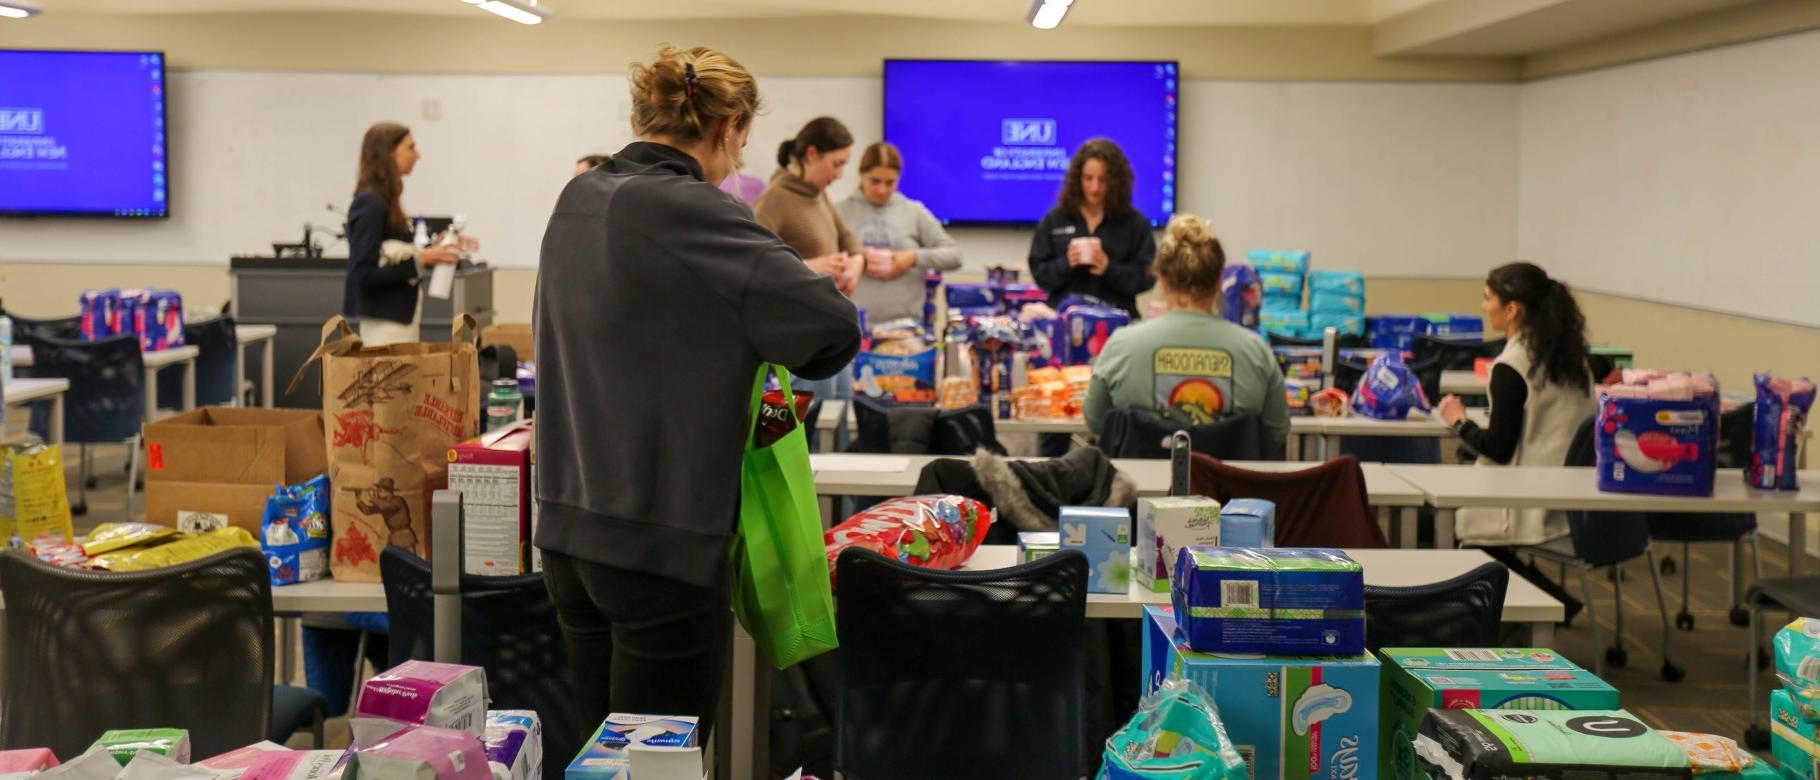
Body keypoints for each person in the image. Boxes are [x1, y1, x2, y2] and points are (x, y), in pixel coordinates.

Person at [533, 46, 860, 735]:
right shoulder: (695, 212)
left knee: (596, 759)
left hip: (568, 533)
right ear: (728, 128)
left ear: (638, 115)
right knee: (661, 762)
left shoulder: (578, 199)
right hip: (658, 545)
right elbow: (830, 329)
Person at [1438, 262, 1596, 619]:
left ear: (1512, 309)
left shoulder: (1511, 365)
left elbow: (1498, 449)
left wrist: (1458, 421)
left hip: (1530, 499)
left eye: (1487, 298)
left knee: (1445, 527)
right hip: (1577, 498)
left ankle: (1545, 604)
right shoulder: (1573, 358)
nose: (1483, 306)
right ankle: (1551, 601)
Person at [1083, 214, 1288, 451]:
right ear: (1218, 279)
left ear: (1160, 276)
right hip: (1228, 487)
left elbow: (1096, 422)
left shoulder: (1121, 346)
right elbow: (1276, 433)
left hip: (1140, 487)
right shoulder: (1256, 352)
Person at [754, 116, 862, 401]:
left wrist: (854, 267)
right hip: (802, 339)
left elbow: (852, 242)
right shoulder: (774, 199)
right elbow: (755, 266)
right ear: (812, 154)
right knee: (814, 429)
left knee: (839, 414)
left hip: (828, 329)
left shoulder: (818, 194)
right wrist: (811, 267)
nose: (840, 175)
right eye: (837, 164)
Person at [341, 122, 466, 347]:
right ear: (389, 152)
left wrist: (438, 245)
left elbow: (394, 253)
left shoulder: (385, 202)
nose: (417, 155)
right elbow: (363, 275)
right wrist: (422, 259)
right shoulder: (370, 204)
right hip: (385, 326)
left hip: (399, 320)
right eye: (410, 147)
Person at [1027, 138, 1157, 316]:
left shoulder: (1135, 223)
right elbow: (1040, 274)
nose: (1095, 188)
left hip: (1118, 323)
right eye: (1088, 178)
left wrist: (1109, 268)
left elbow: (1147, 277)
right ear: (1077, 178)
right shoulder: (1054, 219)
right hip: (1063, 321)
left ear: (1115, 181)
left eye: (1102, 180)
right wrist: (1067, 263)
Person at [836, 141, 962, 323]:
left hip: (904, 327)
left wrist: (911, 258)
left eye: (890, 183)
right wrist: (859, 261)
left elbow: (955, 255)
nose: (882, 190)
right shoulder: (840, 212)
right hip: (851, 325)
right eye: (875, 181)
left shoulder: (914, 212)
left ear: (899, 179)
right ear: (862, 175)